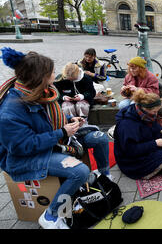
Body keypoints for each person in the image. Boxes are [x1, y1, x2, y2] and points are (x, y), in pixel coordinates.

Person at [0, 49, 109, 229]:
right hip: (24, 157)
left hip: (55, 140)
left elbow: (48, 119)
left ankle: (104, 175)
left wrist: (69, 120)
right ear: (39, 77)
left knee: (100, 138)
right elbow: (23, 146)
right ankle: (50, 215)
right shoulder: (9, 112)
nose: (54, 74)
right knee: (80, 172)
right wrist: (62, 133)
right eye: (50, 72)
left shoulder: (41, 92)